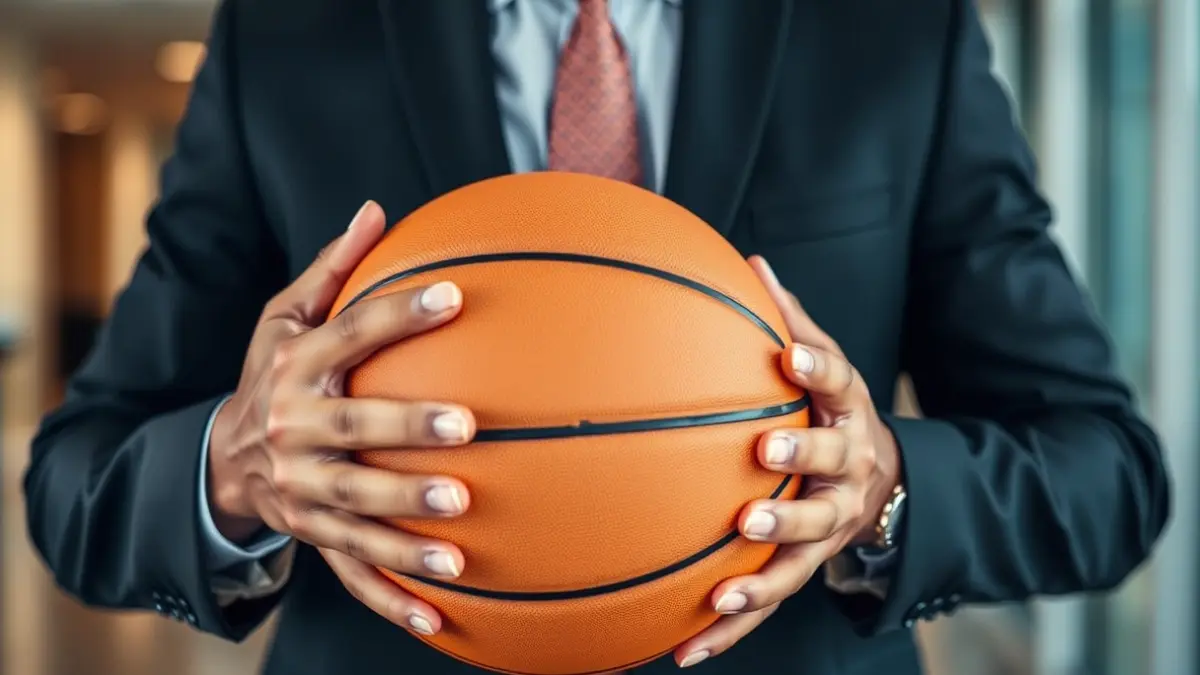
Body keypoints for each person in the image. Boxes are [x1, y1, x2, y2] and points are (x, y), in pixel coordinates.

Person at [24, 1, 1171, 674]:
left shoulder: (892, 29)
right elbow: (77, 480)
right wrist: (230, 475)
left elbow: (1106, 473)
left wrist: (881, 492)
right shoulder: (287, 34)